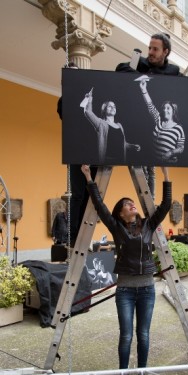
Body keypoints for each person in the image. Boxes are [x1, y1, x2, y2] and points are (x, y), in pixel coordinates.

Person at [81, 164, 171, 372]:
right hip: (125, 291)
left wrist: (166, 173)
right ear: (121, 214)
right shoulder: (116, 227)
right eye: (127, 204)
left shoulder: (149, 224)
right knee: (126, 336)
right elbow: (99, 205)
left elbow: (166, 204)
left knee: (144, 335)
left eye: (132, 203)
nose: (132, 205)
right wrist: (88, 177)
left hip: (148, 289)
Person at [116, 32, 188, 198]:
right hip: (136, 124)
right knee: (138, 166)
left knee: (150, 169)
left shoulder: (173, 71)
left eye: (155, 49)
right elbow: (120, 68)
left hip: (154, 127)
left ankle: (150, 202)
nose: (150, 52)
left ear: (165, 52)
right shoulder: (140, 62)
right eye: (150, 48)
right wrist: (142, 77)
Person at [57, 62, 98, 247]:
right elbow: (71, 119)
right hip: (77, 151)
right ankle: (73, 235)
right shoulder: (64, 100)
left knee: (92, 195)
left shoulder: (91, 98)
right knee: (78, 194)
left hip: (95, 151)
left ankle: (85, 233)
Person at [82, 91, 141, 165]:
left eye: (114, 106)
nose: (113, 108)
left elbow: (123, 144)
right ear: (104, 109)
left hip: (121, 161)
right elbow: (88, 112)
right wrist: (89, 99)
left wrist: (132, 146)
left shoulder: (119, 125)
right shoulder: (101, 123)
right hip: (107, 162)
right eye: (110, 106)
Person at [139, 78, 185, 163]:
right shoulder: (158, 121)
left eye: (168, 108)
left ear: (173, 111)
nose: (165, 110)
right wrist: (143, 89)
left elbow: (181, 148)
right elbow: (150, 105)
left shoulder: (178, 128)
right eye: (163, 108)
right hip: (154, 162)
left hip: (169, 164)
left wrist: (171, 153)